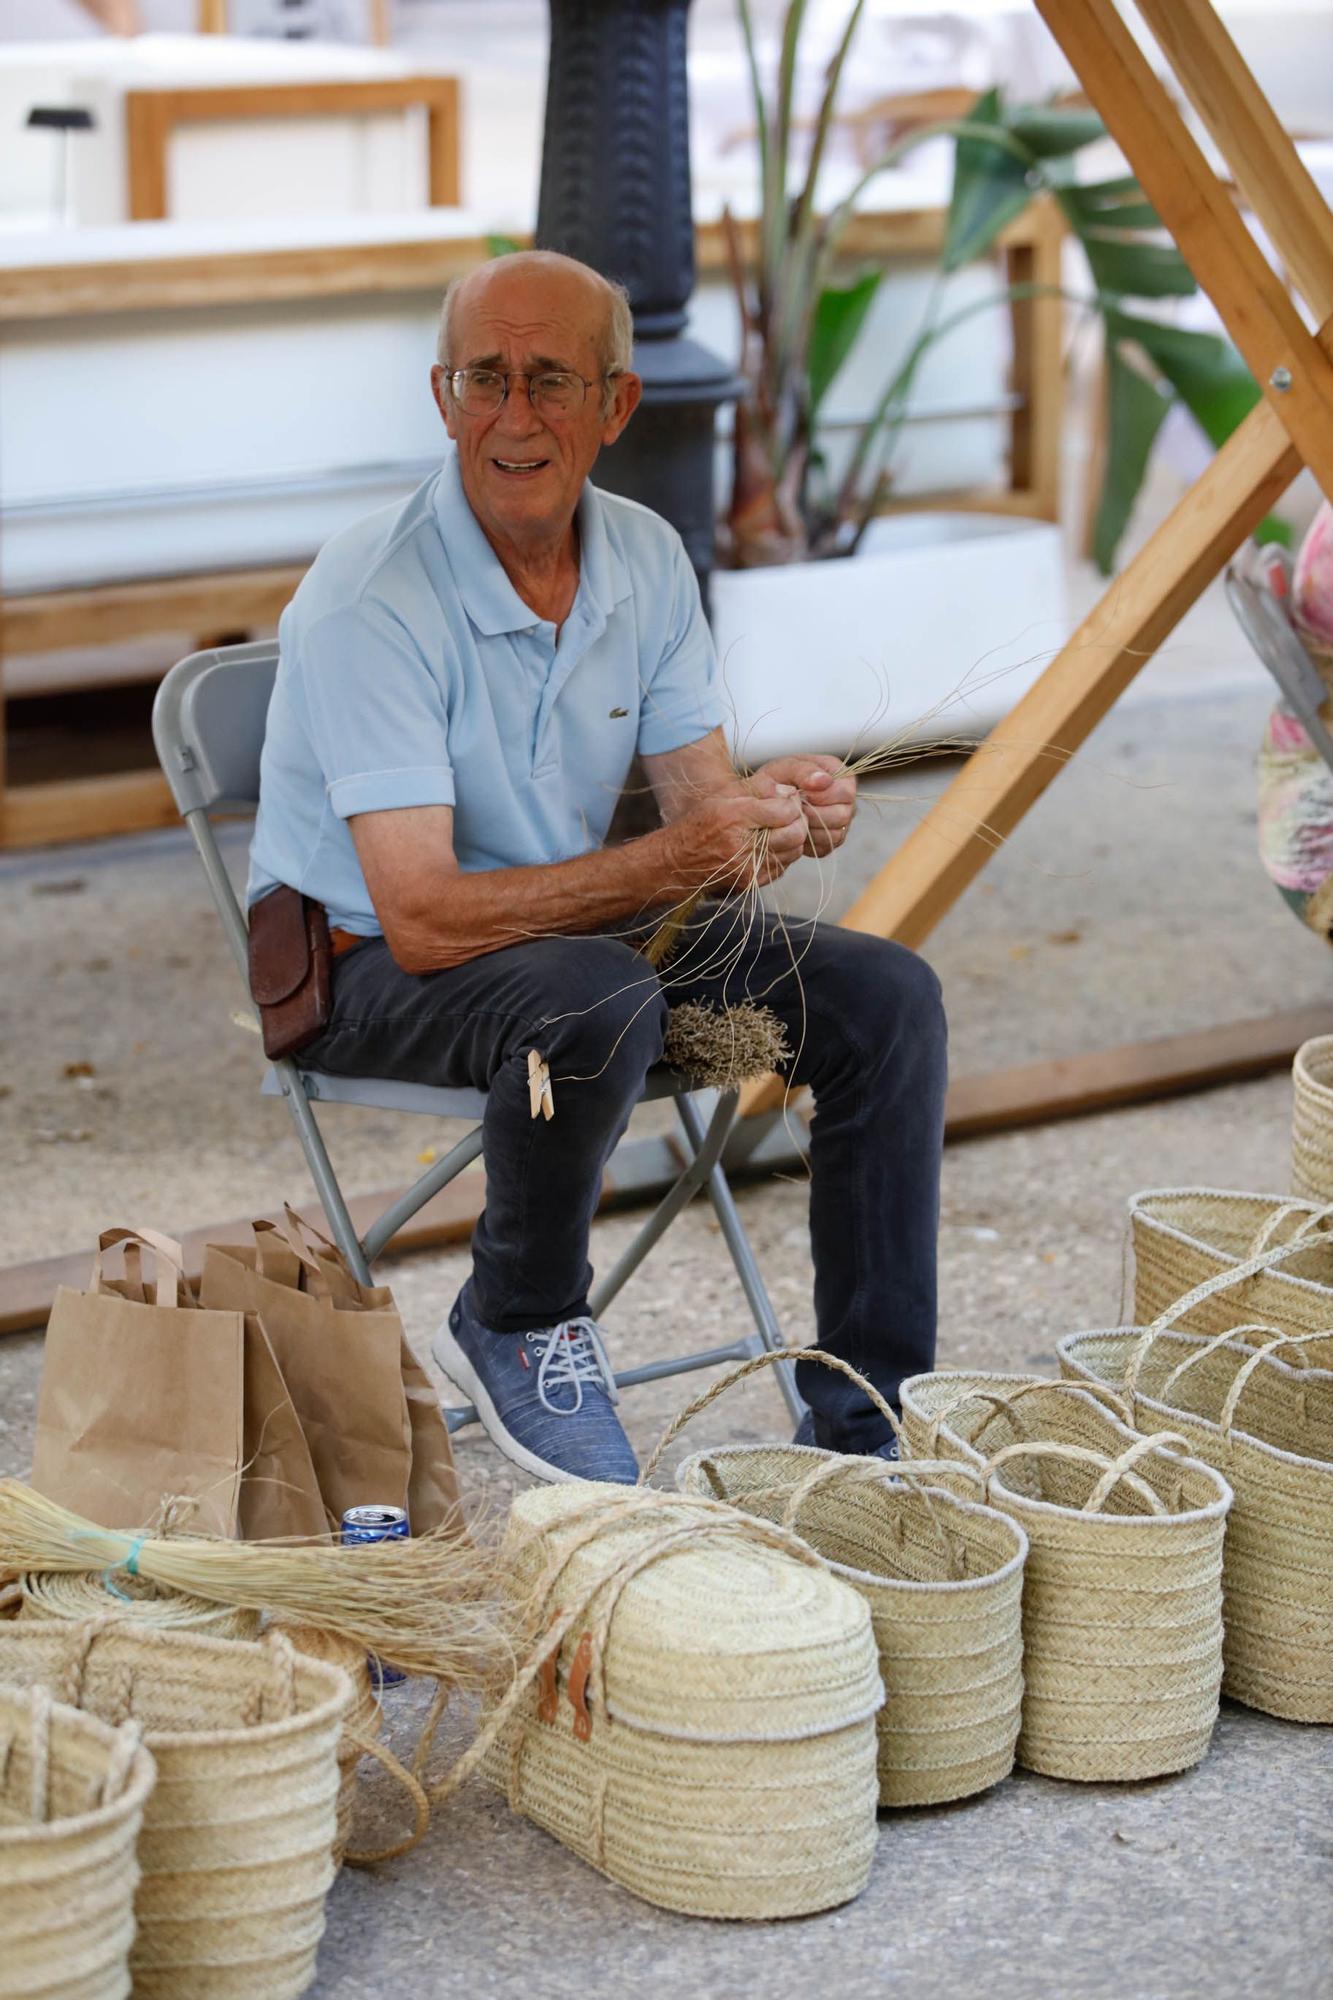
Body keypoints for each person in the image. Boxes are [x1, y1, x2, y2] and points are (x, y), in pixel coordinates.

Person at [248, 249, 947, 1484]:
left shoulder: (643, 559)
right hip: (365, 965)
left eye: (551, 381)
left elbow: (697, 834)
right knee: (589, 995)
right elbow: (417, 917)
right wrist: (675, 852)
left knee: (887, 999)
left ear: (616, 405)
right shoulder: (374, 596)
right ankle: (517, 1314)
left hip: (583, 950)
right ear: (442, 395)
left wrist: (770, 813)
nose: (513, 417)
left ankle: (868, 1426)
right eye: (484, 379)